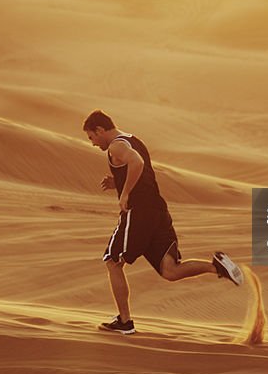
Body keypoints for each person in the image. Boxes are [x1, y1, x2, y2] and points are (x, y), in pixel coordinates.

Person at [83, 109, 243, 335]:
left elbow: (136, 163)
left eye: (91, 137)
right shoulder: (133, 139)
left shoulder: (115, 146)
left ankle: (124, 322)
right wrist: (117, 182)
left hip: (139, 213)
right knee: (170, 270)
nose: (92, 143)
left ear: (99, 130)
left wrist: (125, 192)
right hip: (157, 210)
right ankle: (216, 266)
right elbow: (143, 173)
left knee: (112, 261)